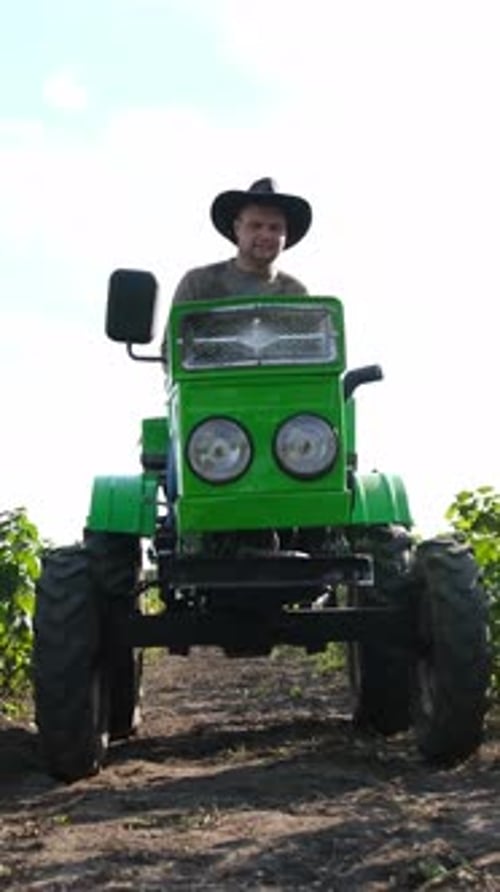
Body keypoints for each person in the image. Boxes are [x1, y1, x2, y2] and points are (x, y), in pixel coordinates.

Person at [171, 176, 312, 306]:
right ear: (237, 228)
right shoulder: (199, 285)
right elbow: (175, 333)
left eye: (275, 228)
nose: (266, 235)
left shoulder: (296, 296)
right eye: (256, 226)